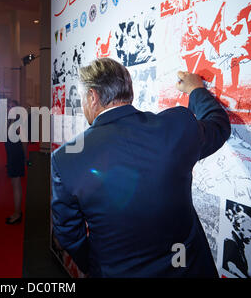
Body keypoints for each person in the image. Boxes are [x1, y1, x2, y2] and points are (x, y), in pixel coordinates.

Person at [51, 57, 231, 277]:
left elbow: (69, 234)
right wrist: (196, 90)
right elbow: (219, 125)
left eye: (81, 98)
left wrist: (99, 264)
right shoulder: (177, 126)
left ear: (92, 96)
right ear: (129, 92)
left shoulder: (64, 159)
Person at [5, 100, 26, 225]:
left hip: (16, 156)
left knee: (16, 185)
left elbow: (24, 142)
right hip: (11, 156)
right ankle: (17, 212)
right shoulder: (9, 121)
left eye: (13, 106)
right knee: (14, 185)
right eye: (8, 106)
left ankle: (17, 214)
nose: (10, 108)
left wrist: (25, 158)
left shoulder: (18, 123)